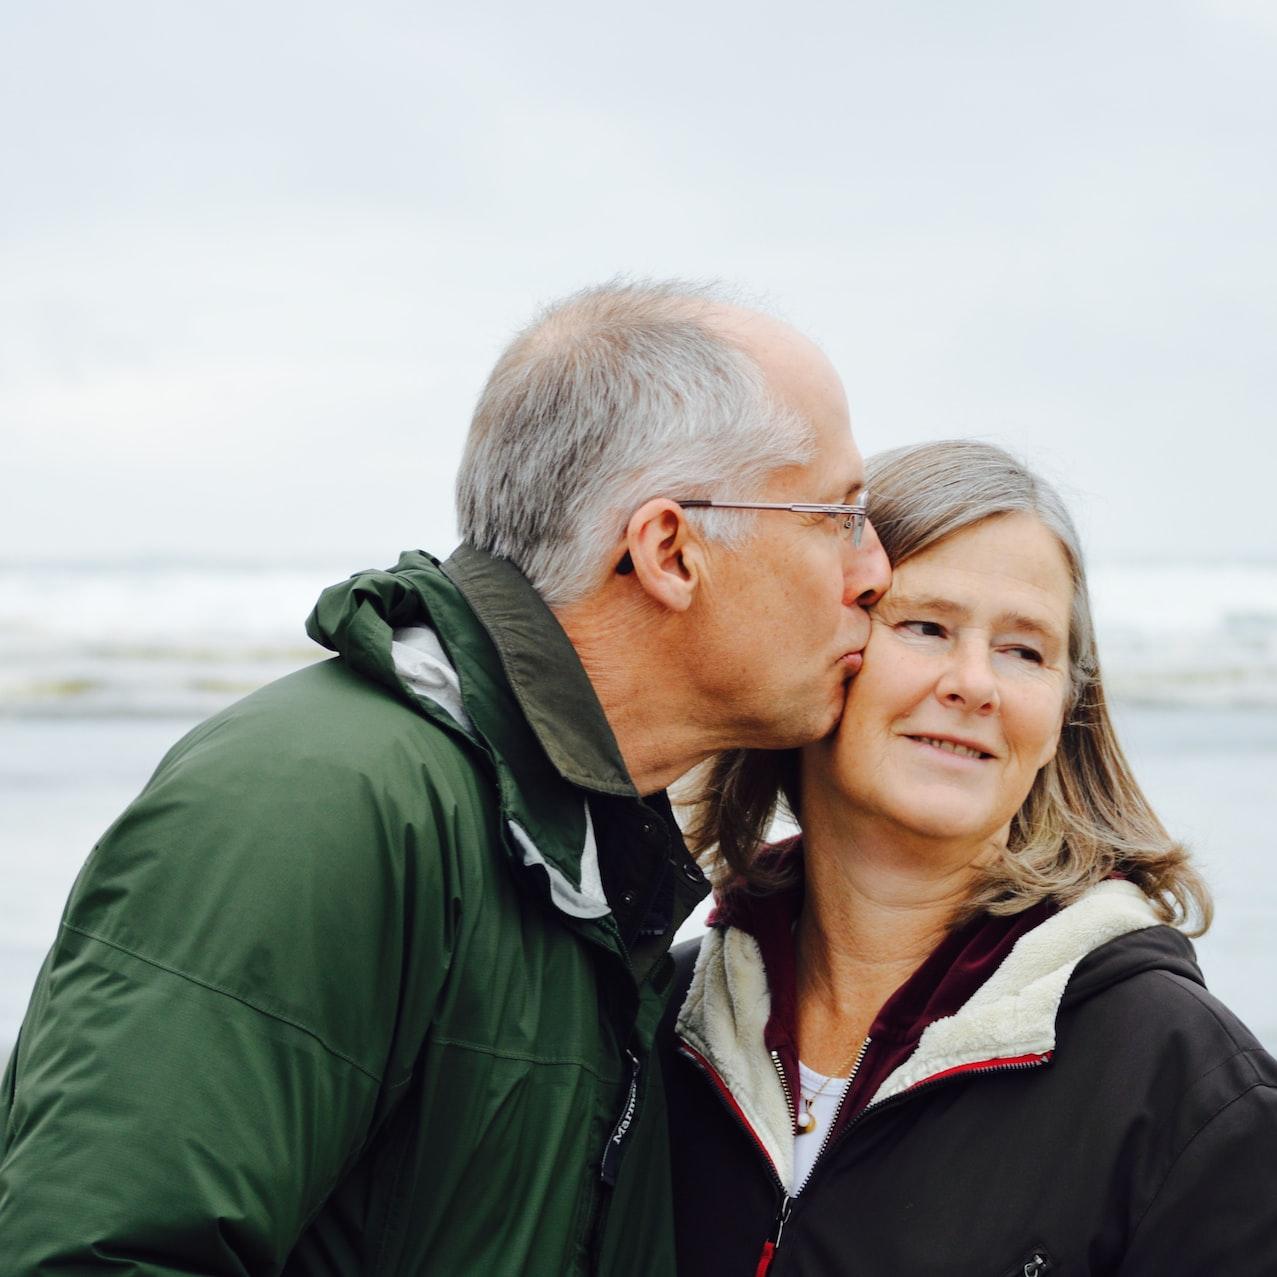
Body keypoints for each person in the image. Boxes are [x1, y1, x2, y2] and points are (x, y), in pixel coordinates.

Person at [0, 281, 891, 1275]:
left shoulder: (581, 858)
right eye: (837, 514)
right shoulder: (318, 804)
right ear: (669, 549)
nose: (873, 570)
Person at [662, 439, 1277, 1276]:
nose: (973, 682)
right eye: (924, 626)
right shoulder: (665, 1021)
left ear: (1066, 708)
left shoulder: (1189, 1085)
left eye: (1024, 649)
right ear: (823, 645)